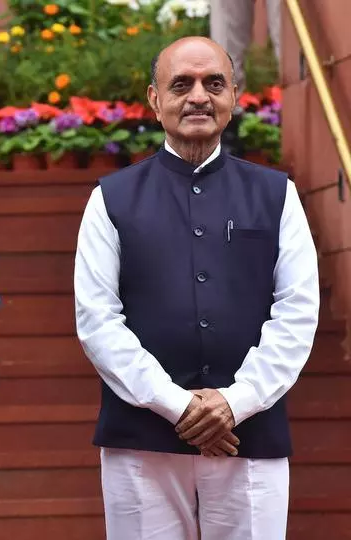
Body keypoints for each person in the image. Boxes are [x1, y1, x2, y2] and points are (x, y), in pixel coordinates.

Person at [74, 36, 319, 540]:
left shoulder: (278, 194)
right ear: (154, 99)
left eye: (214, 83)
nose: (198, 97)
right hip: (142, 437)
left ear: (234, 95)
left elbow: (297, 310)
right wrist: (177, 405)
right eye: (181, 84)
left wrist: (237, 401)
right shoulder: (110, 199)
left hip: (249, 432)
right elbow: (97, 319)